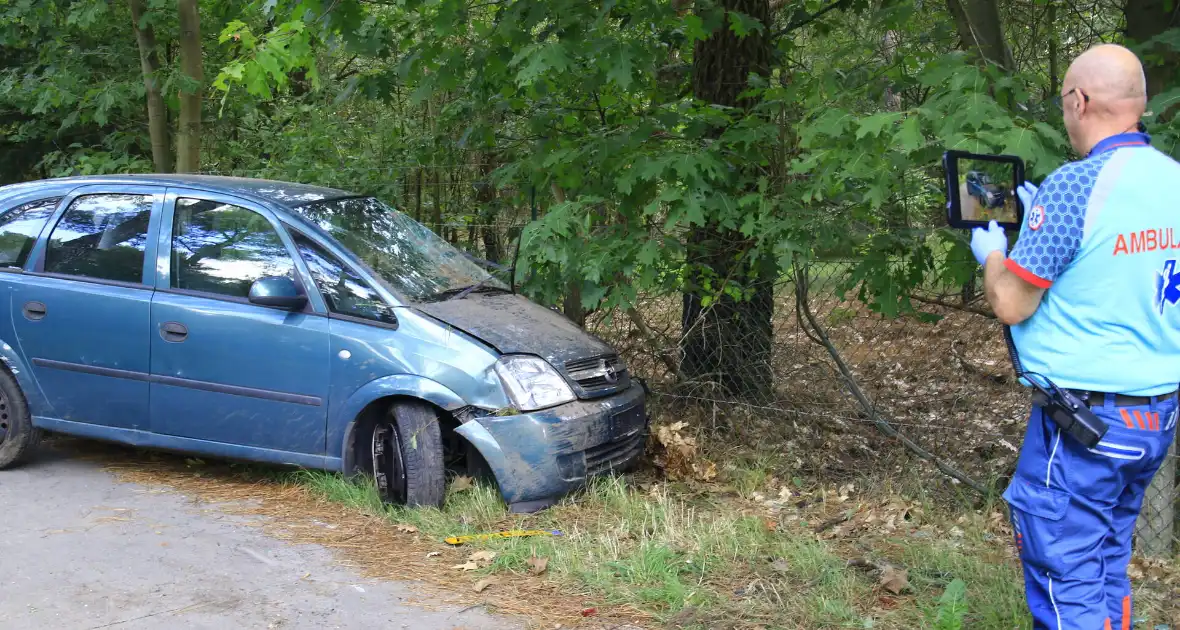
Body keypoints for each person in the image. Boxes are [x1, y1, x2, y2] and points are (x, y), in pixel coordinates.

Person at [970, 43, 1180, 630]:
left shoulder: (1076, 186)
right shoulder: (1173, 180)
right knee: (1107, 561)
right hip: (1155, 416)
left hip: (1084, 425)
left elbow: (1010, 301)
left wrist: (992, 255)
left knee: (1066, 575)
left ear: (1079, 101)